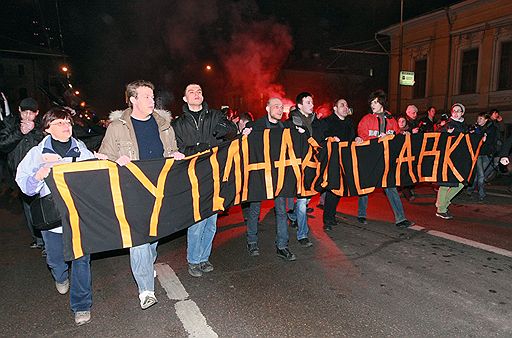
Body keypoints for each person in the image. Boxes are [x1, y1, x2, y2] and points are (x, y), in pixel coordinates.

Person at [99, 80, 184, 309]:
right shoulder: (117, 127)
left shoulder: (164, 124)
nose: (152, 100)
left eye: (152, 96)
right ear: (133, 100)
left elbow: (171, 150)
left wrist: (176, 156)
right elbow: (104, 156)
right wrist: (117, 161)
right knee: (139, 239)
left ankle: (148, 263)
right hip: (132, 191)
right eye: (146, 96)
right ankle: (146, 290)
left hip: (158, 190)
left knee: (153, 235)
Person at [16, 107, 98, 326]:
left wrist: (102, 162)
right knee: (55, 261)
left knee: (82, 260)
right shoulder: (36, 153)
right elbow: (24, 183)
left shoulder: (80, 149)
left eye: (68, 123)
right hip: (52, 220)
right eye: (59, 123)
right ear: (47, 129)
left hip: (78, 216)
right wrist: (39, 174)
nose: (66, 127)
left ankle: (81, 305)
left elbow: (94, 174)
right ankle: (60, 276)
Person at [172, 83, 237, 277]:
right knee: (197, 222)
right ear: (185, 98)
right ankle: (193, 260)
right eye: (191, 92)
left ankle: (203, 258)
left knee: (211, 222)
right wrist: (202, 147)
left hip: (215, 175)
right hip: (193, 178)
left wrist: (224, 130)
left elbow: (231, 132)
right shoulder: (178, 124)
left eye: (199, 91)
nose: (196, 94)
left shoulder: (215, 116)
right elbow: (178, 149)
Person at [243, 97, 299, 260]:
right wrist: (245, 133)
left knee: (281, 212)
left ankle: (282, 246)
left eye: (281, 107)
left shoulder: (285, 127)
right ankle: (252, 241)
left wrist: (302, 132)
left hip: (279, 177)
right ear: (267, 109)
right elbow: (242, 142)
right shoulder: (256, 126)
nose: (279, 109)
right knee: (254, 211)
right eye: (276, 106)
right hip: (260, 175)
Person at [356, 89, 413, 228]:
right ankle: (361, 213)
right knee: (365, 186)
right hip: (370, 160)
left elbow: (397, 138)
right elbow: (362, 136)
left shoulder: (392, 120)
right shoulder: (366, 119)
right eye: (371, 102)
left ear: (382, 103)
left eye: (375, 102)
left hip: (386, 161)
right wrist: (377, 139)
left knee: (391, 187)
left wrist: (402, 136)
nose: (373, 105)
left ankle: (401, 218)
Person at [0, 97, 45, 250]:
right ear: (19, 110)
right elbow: (3, 145)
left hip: (41, 173)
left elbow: (47, 144)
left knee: (44, 205)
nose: (27, 116)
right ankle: (38, 239)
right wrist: (20, 132)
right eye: (24, 112)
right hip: (20, 175)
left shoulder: (42, 126)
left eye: (31, 113)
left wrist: (35, 131)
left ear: (37, 113)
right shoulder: (10, 124)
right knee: (28, 206)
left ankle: (47, 241)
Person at [316, 98, 356, 231]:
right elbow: (320, 138)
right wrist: (330, 139)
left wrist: (357, 138)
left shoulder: (350, 123)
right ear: (335, 108)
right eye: (342, 105)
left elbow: (352, 138)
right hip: (331, 160)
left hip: (345, 160)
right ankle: (327, 219)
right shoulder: (327, 122)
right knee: (332, 188)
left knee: (340, 190)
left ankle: (331, 216)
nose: (345, 107)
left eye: (346, 105)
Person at [286, 92, 317, 246]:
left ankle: (293, 216)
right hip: (297, 165)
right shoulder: (292, 121)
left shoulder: (315, 120)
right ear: (299, 105)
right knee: (303, 199)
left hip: (312, 164)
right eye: (308, 102)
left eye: (312, 102)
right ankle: (302, 234)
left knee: (308, 196)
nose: (312, 105)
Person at [435, 103, 469, 219]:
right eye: (454, 110)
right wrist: (445, 134)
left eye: (458, 110)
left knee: (460, 183)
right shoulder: (447, 125)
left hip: (460, 159)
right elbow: (437, 137)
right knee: (445, 183)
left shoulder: (465, 126)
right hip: (448, 158)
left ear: (462, 113)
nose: (456, 112)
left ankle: (442, 203)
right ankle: (441, 209)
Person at [466, 112, 497, 201]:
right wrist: (472, 133)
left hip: (487, 154)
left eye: (481, 119)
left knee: (479, 174)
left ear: (486, 120)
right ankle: (482, 194)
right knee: (481, 175)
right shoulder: (476, 128)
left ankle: (470, 189)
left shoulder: (491, 128)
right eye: (478, 118)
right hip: (478, 154)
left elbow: (493, 141)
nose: (478, 120)